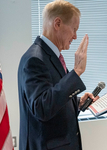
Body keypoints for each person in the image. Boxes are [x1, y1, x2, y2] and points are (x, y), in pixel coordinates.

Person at [18, 0, 98, 150]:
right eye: (74, 29)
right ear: (57, 23)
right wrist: (76, 73)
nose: (75, 36)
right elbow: (41, 108)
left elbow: (51, 95)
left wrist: (77, 102)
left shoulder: (51, 55)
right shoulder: (34, 59)